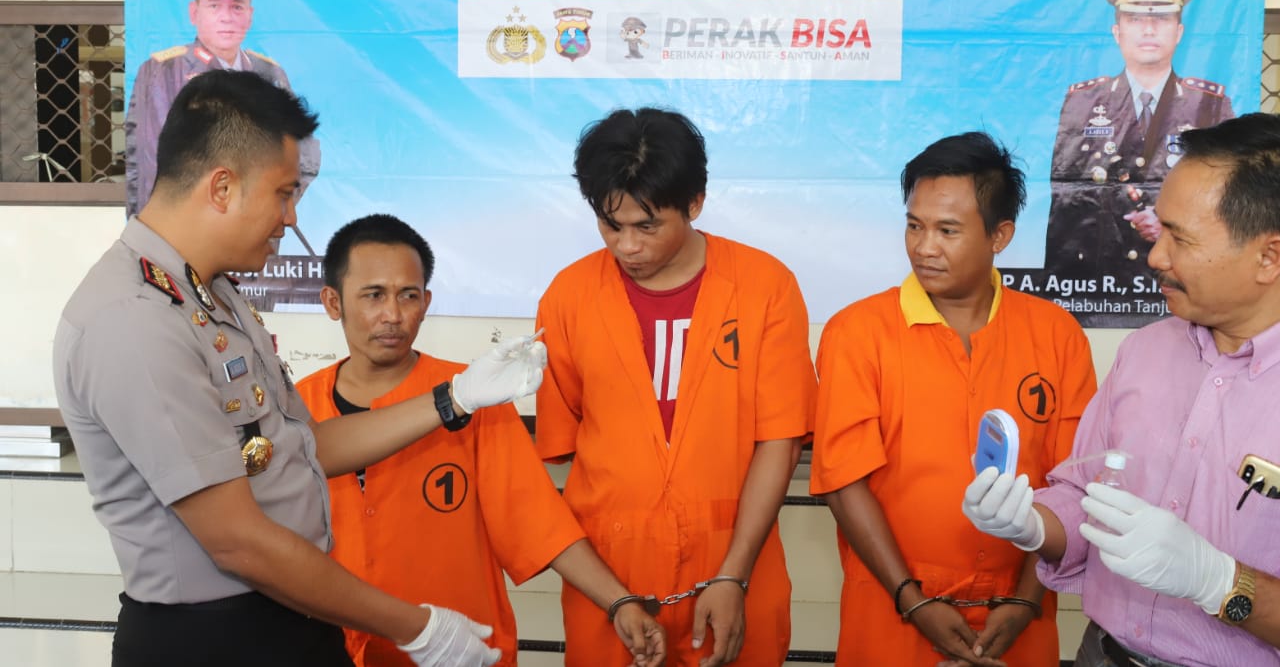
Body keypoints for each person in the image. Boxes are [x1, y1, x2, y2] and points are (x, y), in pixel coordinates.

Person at [54, 69, 546, 667]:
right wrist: (416, 627)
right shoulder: (134, 319)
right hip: (214, 640)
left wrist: (456, 397)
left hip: (290, 613)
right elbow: (237, 542)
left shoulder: (213, 294)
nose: (290, 219)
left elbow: (304, 447)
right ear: (222, 187)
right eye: (284, 194)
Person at [965, 113, 1280, 666]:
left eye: (1181, 239)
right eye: (1160, 230)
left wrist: (1219, 582)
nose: (1156, 257)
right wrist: (1033, 524)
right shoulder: (1145, 352)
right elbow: (1082, 494)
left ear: (1268, 257)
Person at [295, 214, 666, 667]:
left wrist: (619, 602)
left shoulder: (474, 396)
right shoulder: (295, 410)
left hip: (460, 651)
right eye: (373, 295)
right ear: (333, 302)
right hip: (329, 650)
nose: (392, 315)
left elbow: (540, 524)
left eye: (408, 295)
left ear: (426, 303)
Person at [534, 107, 817, 667]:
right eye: (611, 225)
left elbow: (780, 441)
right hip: (610, 579)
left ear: (695, 203)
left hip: (738, 563)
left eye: (647, 226)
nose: (627, 246)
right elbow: (567, 442)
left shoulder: (765, 287)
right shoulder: (567, 297)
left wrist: (733, 573)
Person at [810, 132, 1097, 666]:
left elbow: (1071, 483)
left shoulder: (1056, 334)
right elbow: (844, 482)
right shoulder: (857, 333)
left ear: (999, 235)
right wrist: (911, 600)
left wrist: (1026, 600)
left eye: (947, 230)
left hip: (1018, 609)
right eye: (914, 226)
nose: (924, 247)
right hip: (892, 605)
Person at [1045, 0, 1233, 319]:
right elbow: (1064, 207)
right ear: (1117, 32)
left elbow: (1229, 201)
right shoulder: (1083, 101)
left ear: (1179, 31)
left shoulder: (1210, 105)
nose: (1148, 29)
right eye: (1134, 18)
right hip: (1098, 289)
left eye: (1161, 18)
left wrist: (1169, 224)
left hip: (1183, 289)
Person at [124, 0, 321, 217]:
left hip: (254, 229)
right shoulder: (163, 73)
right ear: (194, 13)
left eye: (237, 7)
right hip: (187, 231)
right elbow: (147, 167)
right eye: (214, 6)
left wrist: (270, 210)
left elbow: (305, 155)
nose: (226, 17)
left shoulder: (270, 74)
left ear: (250, 15)